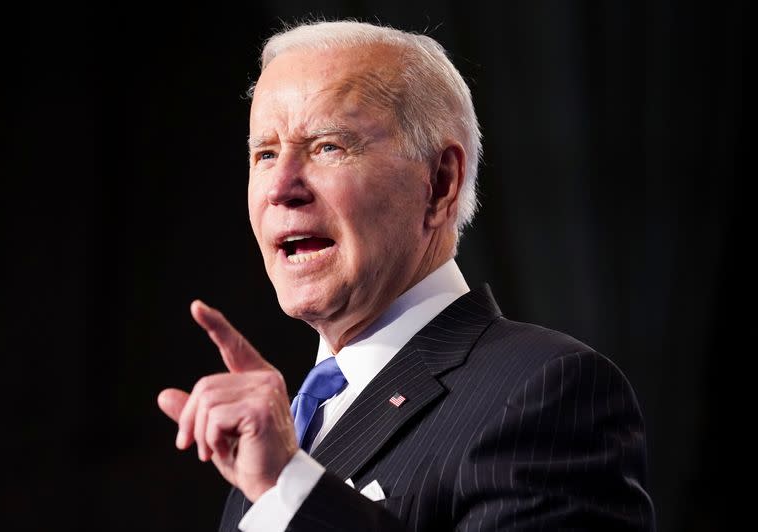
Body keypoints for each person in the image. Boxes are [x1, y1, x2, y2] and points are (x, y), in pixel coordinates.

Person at [157, 20, 655, 531]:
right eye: (264, 153)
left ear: (440, 183)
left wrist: (292, 488)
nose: (281, 187)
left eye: (328, 146)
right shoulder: (286, 430)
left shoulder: (545, 392)